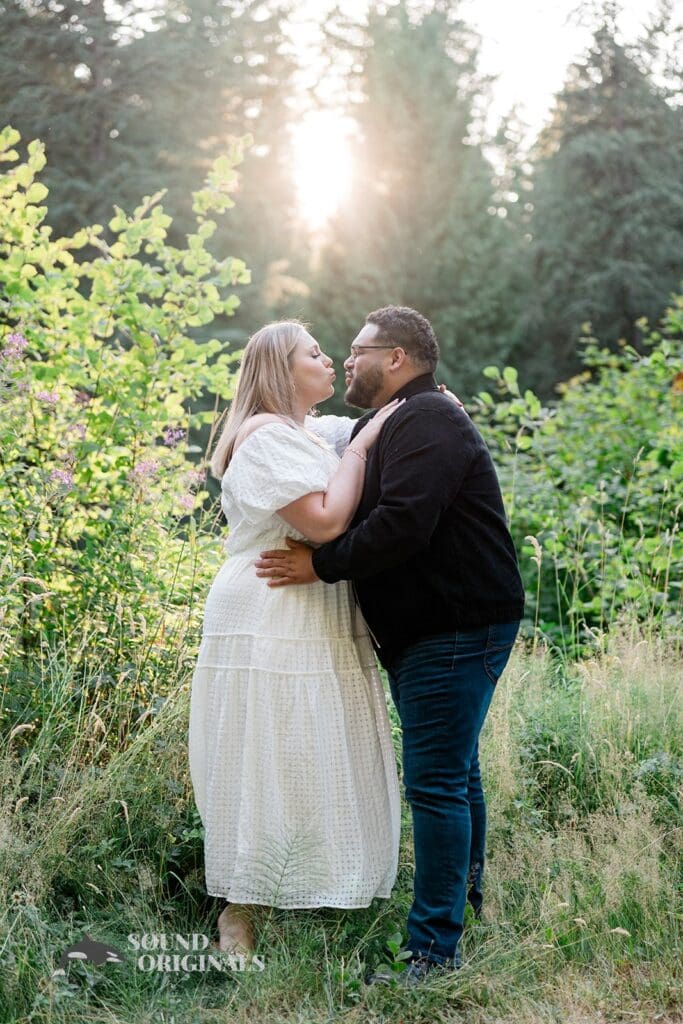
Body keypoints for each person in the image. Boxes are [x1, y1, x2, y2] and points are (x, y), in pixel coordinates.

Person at [254, 306, 525, 983]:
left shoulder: (426, 418)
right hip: (435, 628)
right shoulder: (403, 418)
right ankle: (458, 913)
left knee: (434, 783)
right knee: (453, 775)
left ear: (396, 357)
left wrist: (317, 566)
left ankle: (432, 954)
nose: (346, 362)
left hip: (454, 626)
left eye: (356, 350)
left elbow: (402, 525)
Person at [188, 320, 404, 955]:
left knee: (313, 747)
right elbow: (326, 520)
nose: (330, 359)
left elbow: (366, 431)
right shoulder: (261, 440)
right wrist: (366, 450)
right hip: (270, 609)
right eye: (314, 353)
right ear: (281, 369)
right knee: (269, 750)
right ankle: (241, 908)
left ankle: (313, 887)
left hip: (314, 606)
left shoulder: (315, 432)